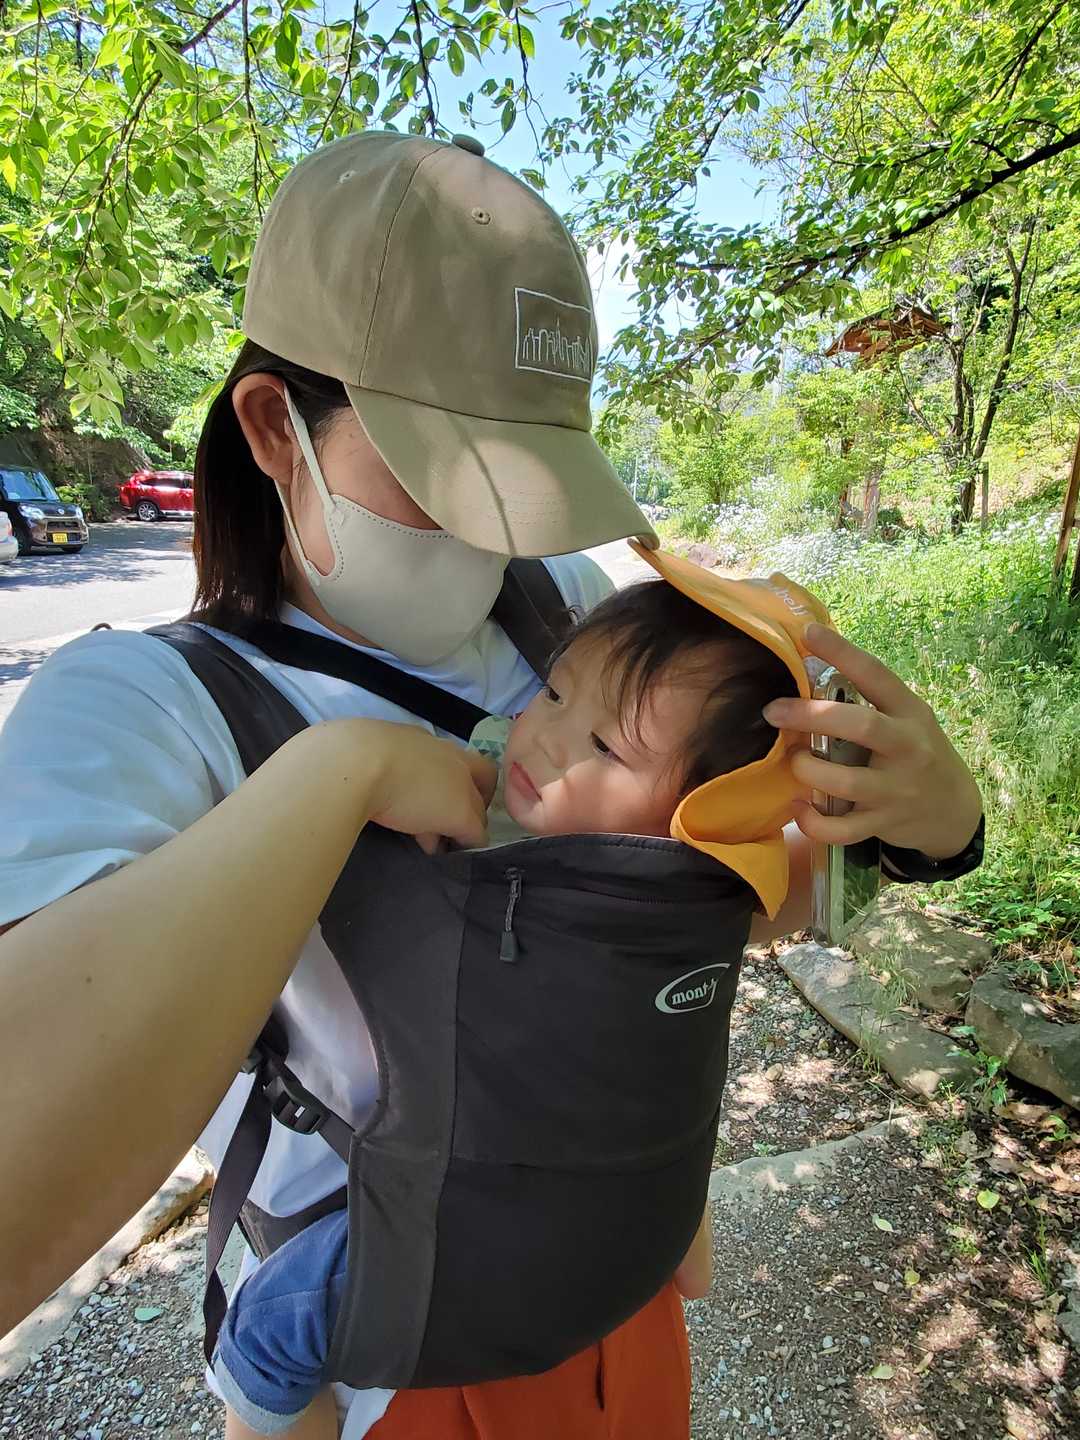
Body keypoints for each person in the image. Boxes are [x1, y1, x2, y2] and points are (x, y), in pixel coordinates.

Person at [0, 129, 984, 1440]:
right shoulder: (138, 710)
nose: (496, 535)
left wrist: (921, 837)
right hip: (384, 1350)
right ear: (275, 427)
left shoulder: (570, 607)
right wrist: (336, 777)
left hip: (614, 1298)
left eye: (524, 483)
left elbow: (720, 901)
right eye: (448, 473)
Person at [213, 568, 812, 1440]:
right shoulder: (710, 895)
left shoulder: (562, 906)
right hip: (639, 1223)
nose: (547, 739)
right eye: (554, 691)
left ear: (697, 819)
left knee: (269, 1329)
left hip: (485, 1229)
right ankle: (682, 1255)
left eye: (606, 747)